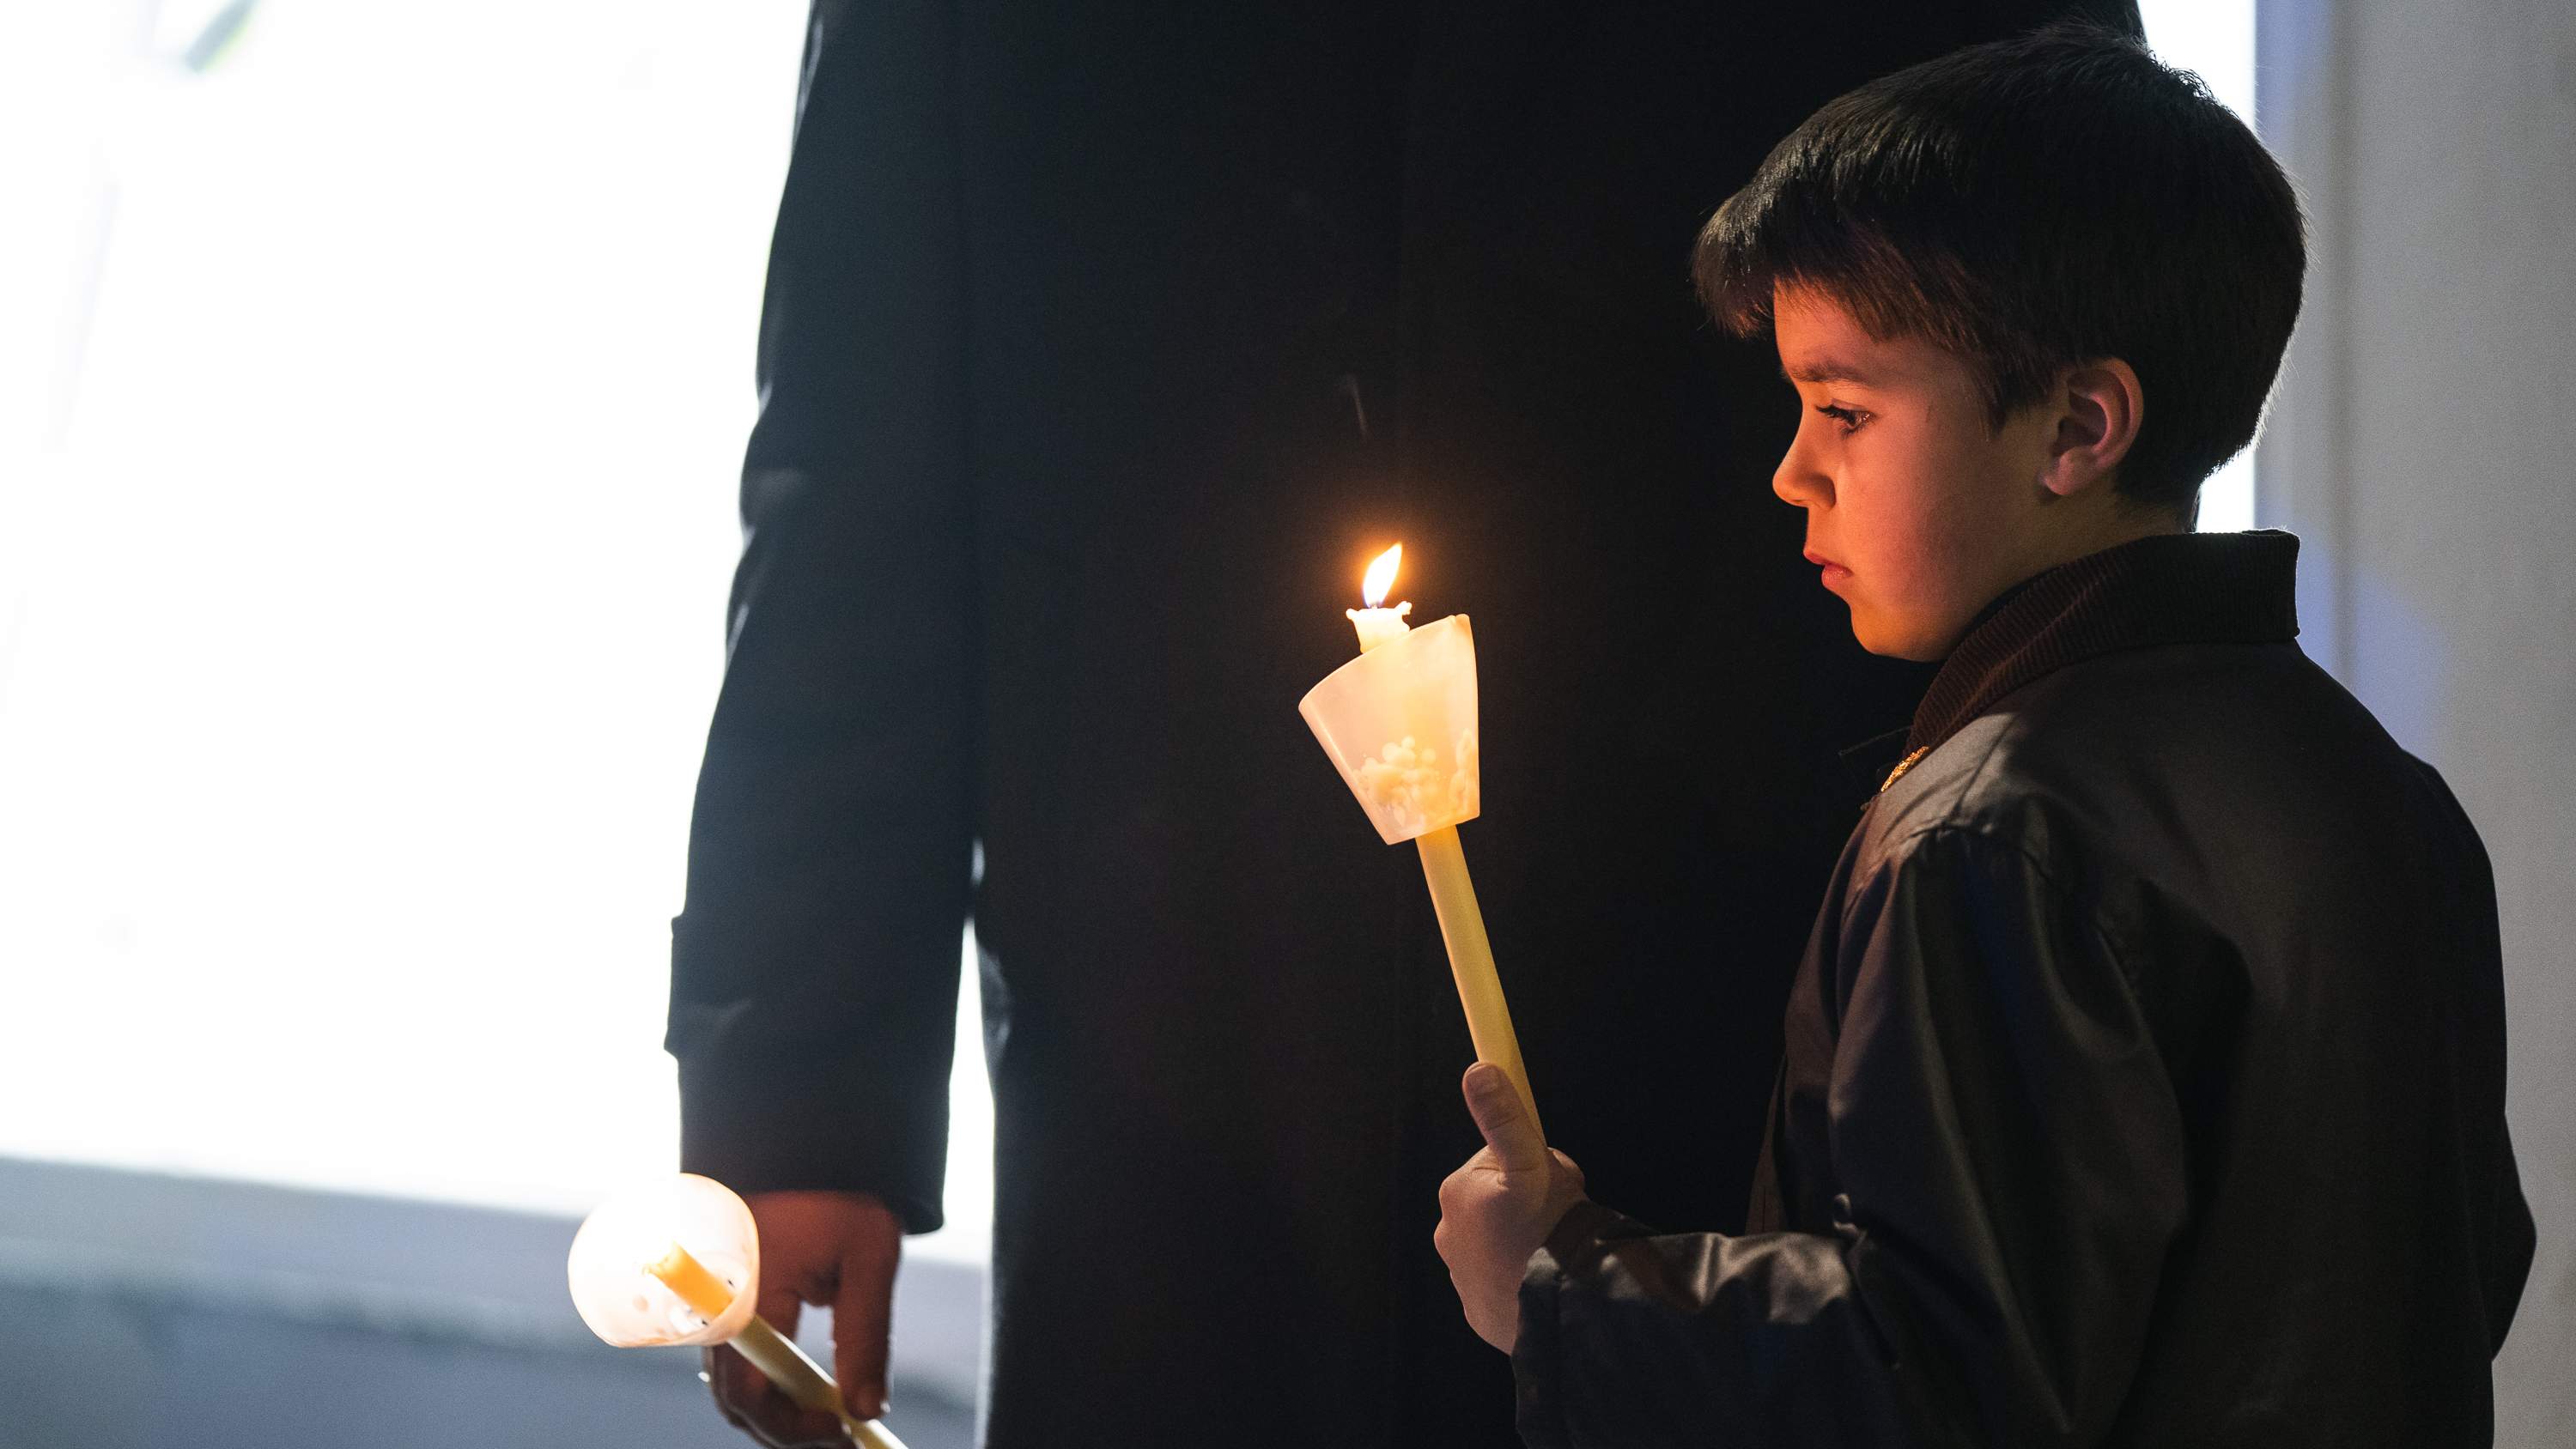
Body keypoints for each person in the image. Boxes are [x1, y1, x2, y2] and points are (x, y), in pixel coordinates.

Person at [669, 3, 2146, 1446]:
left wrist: (2065, 966)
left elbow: (2075, 347)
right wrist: (803, 1086)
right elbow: (858, 493)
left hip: (1752, 947)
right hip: (1175, 1001)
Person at [1433, 24, 2537, 1446]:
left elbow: (1931, 1380)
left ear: (2078, 426)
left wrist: (1558, 1281)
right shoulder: (2380, 789)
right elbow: (2460, 1270)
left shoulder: (1996, 825)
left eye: (1844, 408)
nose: (1791, 473)